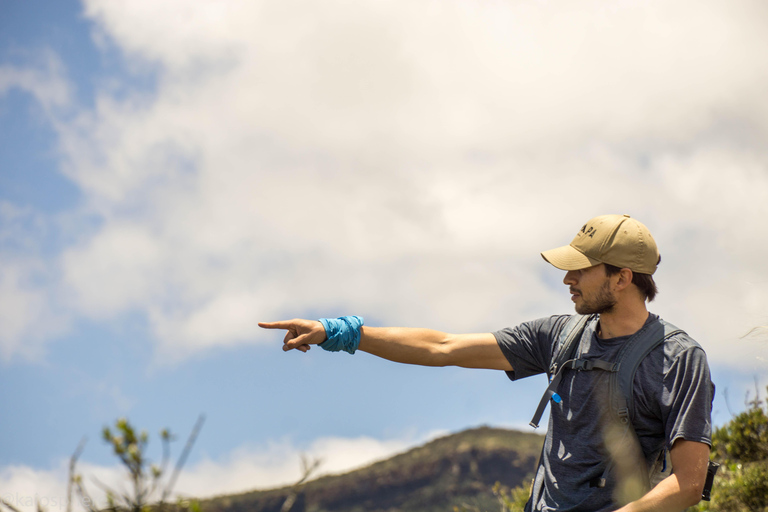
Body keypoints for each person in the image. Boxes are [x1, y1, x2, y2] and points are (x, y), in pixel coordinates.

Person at [260, 214, 714, 512]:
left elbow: (689, 484)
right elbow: (443, 347)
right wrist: (338, 332)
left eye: (581, 270)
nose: (567, 279)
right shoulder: (560, 335)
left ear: (622, 278)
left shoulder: (679, 359)